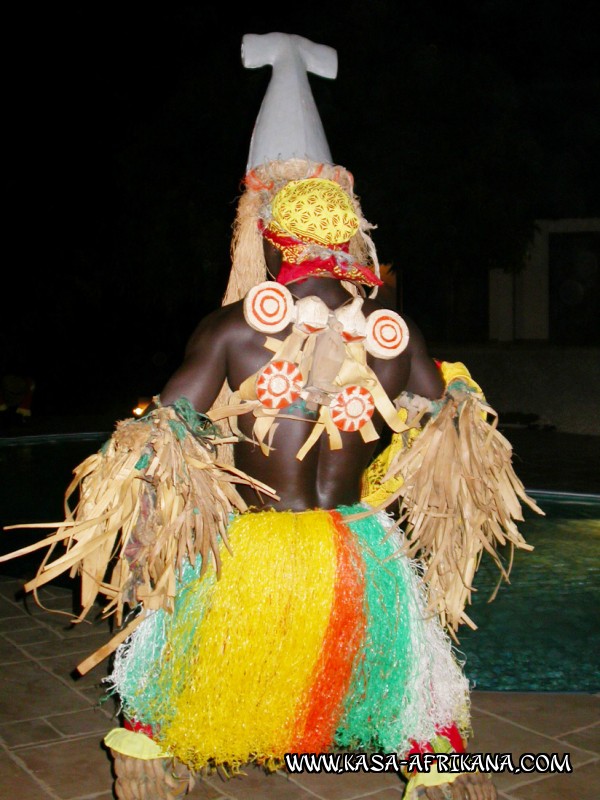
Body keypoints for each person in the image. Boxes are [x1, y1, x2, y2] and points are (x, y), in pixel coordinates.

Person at [1, 34, 539, 800]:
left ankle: (149, 766)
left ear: (272, 236)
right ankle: (441, 777)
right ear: (352, 234)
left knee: (172, 670)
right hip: (361, 546)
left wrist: (150, 500)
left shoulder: (231, 329)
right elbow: (450, 415)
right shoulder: (398, 332)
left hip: (250, 552)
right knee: (412, 683)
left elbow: (165, 428)